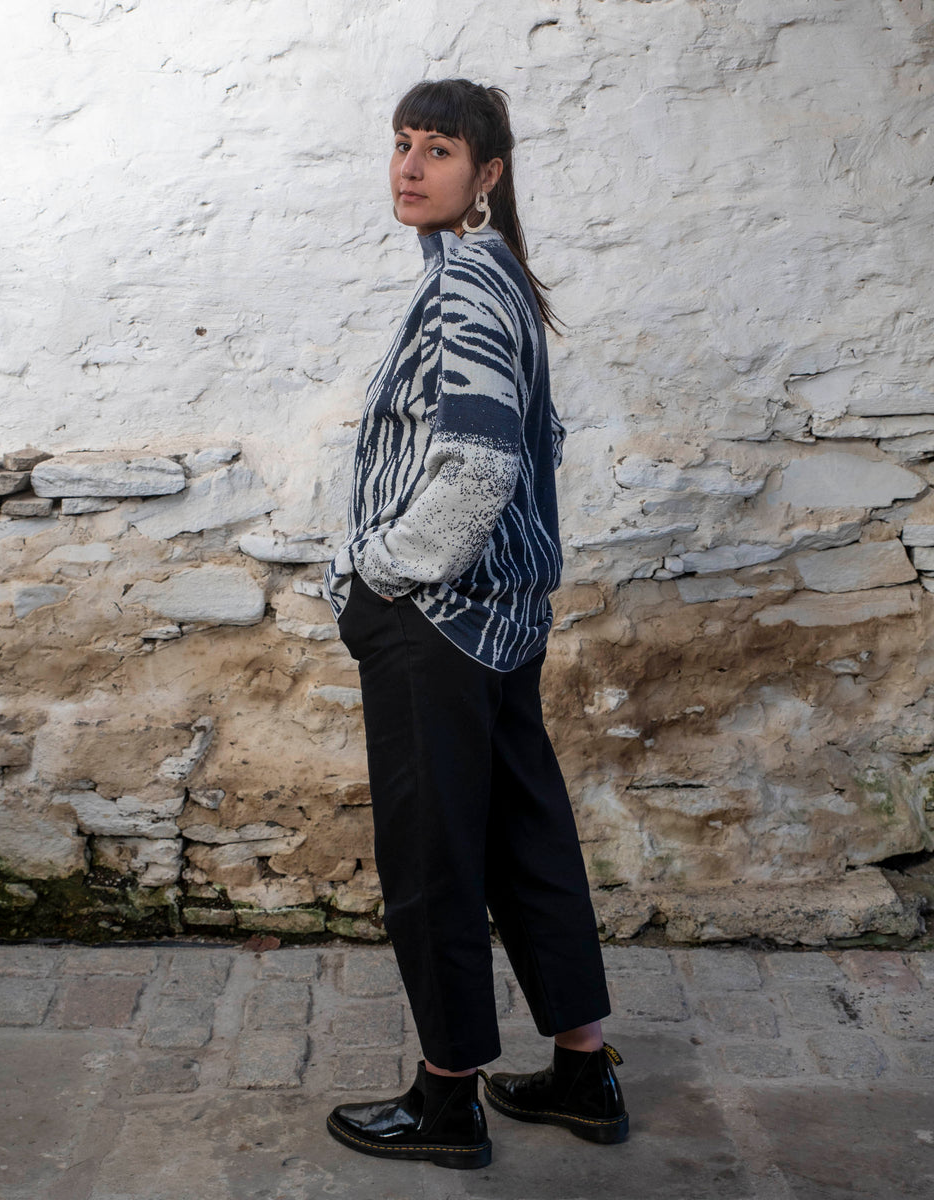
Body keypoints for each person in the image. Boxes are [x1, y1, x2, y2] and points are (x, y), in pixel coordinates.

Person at [322, 77, 628, 1170]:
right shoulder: (498, 280)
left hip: (440, 622)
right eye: (402, 143)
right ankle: (584, 1071)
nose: (410, 166)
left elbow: (482, 467)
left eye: (439, 149)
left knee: (434, 855)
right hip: (504, 619)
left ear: (487, 173)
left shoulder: (463, 286)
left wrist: (382, 574)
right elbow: (525, 447)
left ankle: (447, 1098)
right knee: (523, 836)